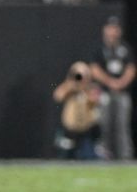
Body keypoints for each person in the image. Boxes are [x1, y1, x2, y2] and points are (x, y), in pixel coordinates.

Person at [90, 16, 135, 160]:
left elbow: (131, 68)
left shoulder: (125, 49)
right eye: (110, 28)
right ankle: (105, 155)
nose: (113, 32)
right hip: (105, 93)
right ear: (105, 30)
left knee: (123, 126)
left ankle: (125, 156)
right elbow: (94, 69)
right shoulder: (99, 49)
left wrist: (120, 83)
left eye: (115, 29)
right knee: (105, 125)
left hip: (122, 93)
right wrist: (110, 82)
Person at [53, 61, 102, 160]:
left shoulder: (90, 88)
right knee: (65, 157)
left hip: (86, 131)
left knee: (89, 157)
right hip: (70, 131)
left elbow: (94, 103)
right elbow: (57, 96)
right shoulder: (69, 88)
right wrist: (71, 85)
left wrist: (85, 89)